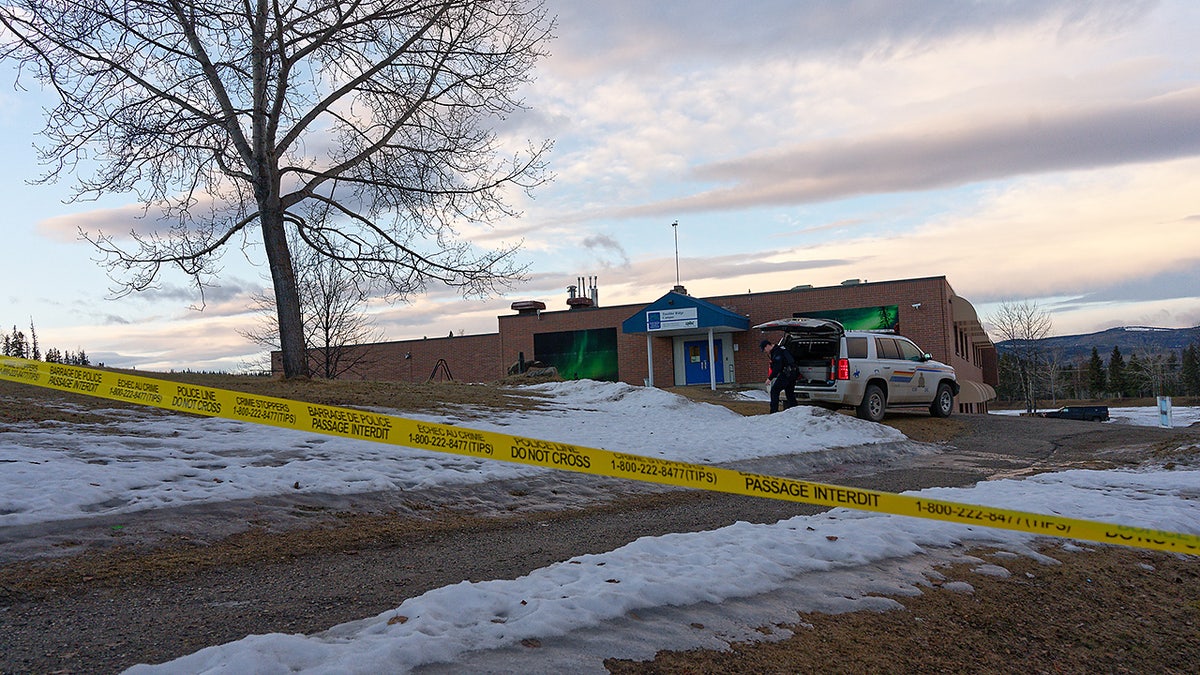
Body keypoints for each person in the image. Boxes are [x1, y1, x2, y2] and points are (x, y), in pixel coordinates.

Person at [761, 338, 798, 413]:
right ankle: (795, 411)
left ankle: (774, 412)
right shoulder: (780, 350)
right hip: (792, 373)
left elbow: (778, 367)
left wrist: (769, 378)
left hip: (786, 374)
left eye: (764, 349)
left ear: (767, 346)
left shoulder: (777, 352)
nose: (765, 352)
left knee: (774, 391)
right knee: (789, 393)